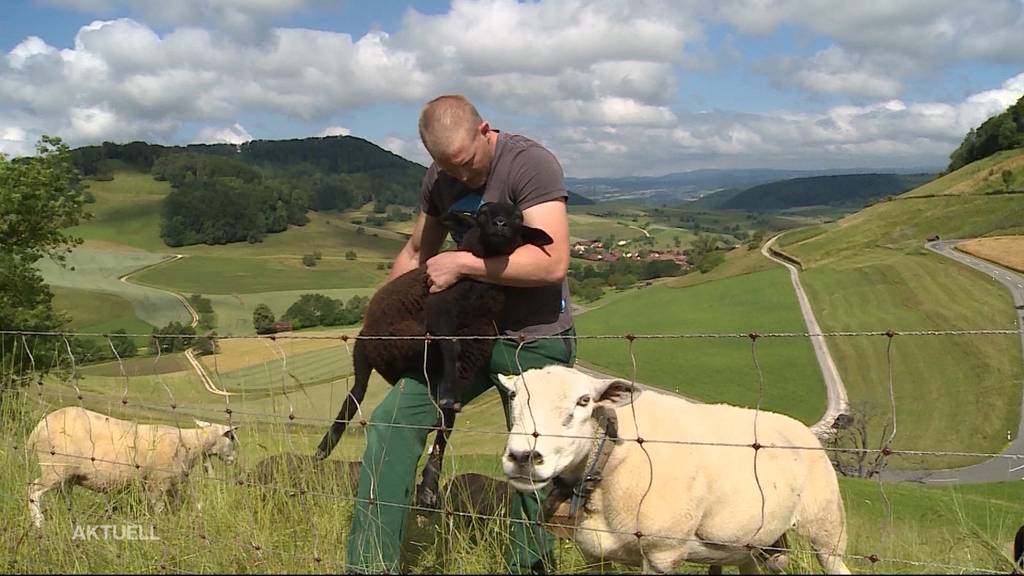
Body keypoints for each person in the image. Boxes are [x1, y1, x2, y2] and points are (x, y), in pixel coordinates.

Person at [345, 94, 576, 574]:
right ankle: (369, 566)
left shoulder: (530, 164)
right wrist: (381, 323)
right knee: (391, 425)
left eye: (468, 165)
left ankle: (528, 567)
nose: (463, 178)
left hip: (532, 337)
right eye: (449, 168)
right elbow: (414, 252)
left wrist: (464, 263)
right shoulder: (441, 176)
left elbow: (551, 263)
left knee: (531, 452)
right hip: (462, 339)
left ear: (485, 130)